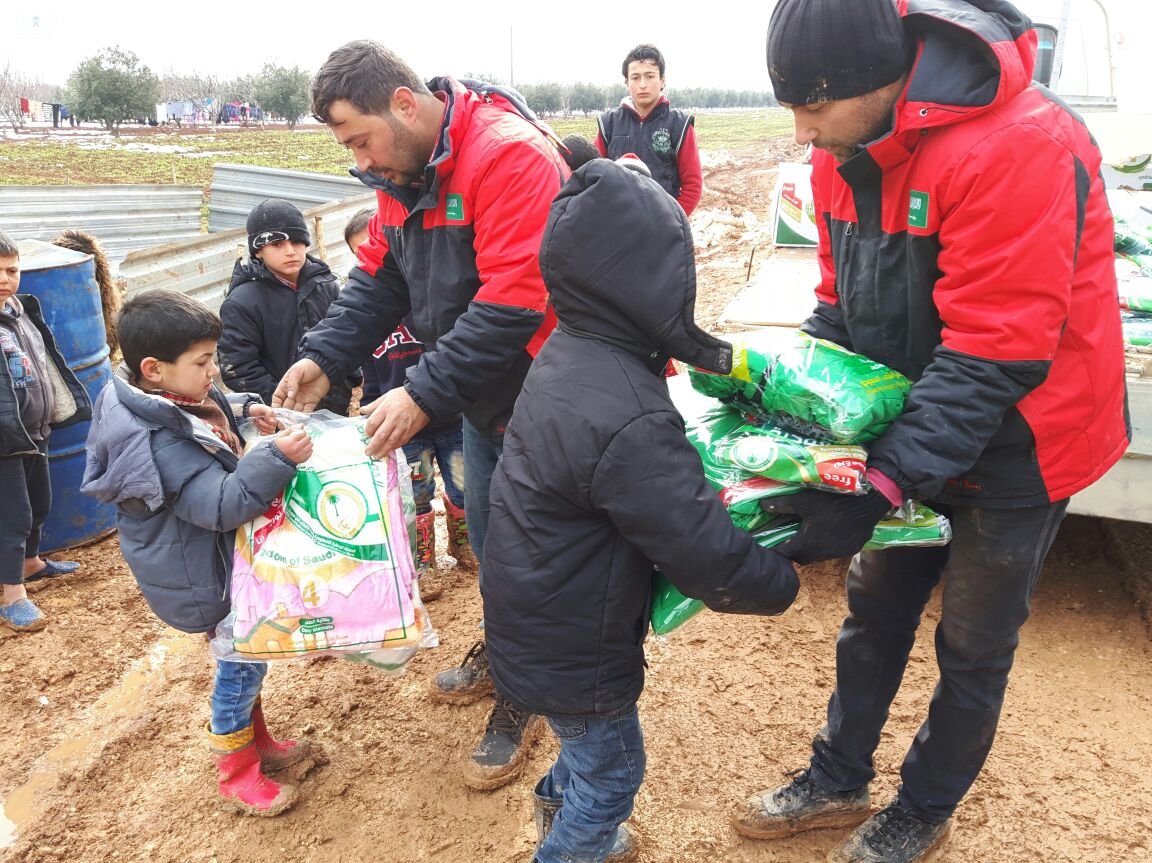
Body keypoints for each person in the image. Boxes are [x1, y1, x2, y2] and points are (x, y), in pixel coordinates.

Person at [729, 2, 1131, 862]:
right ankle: (837, 776)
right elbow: (839, 308)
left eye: (813, 107)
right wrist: (808, 430)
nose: (802, 130)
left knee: (974, 639)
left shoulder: (1018, 144)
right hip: (916, 418)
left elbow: (992, 353)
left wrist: (882, 482)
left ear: (882, 83)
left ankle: (924, 806)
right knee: (874, 608)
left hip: (1025, 435)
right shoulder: (841, 152)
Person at [483, 159, 800, 863]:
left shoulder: (571, 349)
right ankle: (566, 846)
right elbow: (704, 552)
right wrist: (783, 575)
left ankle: (551, 812)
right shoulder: (626, 411)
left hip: (534, 616)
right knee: (612, 772)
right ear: (650, 278)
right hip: (575, 646)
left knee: (581, 750)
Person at [272, 40, 569, 790]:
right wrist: (324, 356)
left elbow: (512, 303)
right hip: (481, 391)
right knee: (497, 538)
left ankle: (530, 693)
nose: (362, 160)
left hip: (545, 389)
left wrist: (421, 391)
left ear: (404, 105)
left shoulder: (507, 156)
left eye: (359, 139)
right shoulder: (400, 174)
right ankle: (510, 659)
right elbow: (378, 279)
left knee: (538, 550)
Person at [81, 289, 318, 817]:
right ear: (154, 369)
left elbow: (205, 411)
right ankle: (237, 773)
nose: (213, 371)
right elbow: (221, 505)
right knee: (239, 669)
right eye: (203, 362)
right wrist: (276, 457)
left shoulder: (168, 401)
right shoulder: (158, 443)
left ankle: (259, 745)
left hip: (218, 561)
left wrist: (244, 407)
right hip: (205, 573)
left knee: (251, 658)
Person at [343, 207, 477, 599]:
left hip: (450, 418)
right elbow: (366, 370)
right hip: (401, 426)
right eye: (362, 253)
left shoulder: (434, 302)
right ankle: (422, 563)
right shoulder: (369, 315)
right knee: (414, 496)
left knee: (464, 487)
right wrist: (369, 404)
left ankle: (463, 543)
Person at [0, 231, 90, 631]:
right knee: (12, 515)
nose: (5, 279)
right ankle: (11, 594)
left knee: (39, 501)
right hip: (4, 440)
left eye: (11, 270)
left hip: (33, 429)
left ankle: (31, 562)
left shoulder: (17, 311)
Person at [217, 198, 354, 417]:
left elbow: (346, 334)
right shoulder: (241, 302)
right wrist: (281, 408)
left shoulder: (326, 285)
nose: (290, 251)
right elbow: (240, 368)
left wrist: (346, 380)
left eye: (297, 241)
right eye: (277, 244)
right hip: (280, 418)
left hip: (335, 406)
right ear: (258, 251)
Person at [595, 44, 703, 215]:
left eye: (650, 76)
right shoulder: (609, 123)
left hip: (663, 228)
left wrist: (672, 221)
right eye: (635, 77)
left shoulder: (680, 124)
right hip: (617, 225)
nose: (642, 84)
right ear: (626, 82)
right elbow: (595, 177)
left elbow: (693, 185)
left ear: (662, 80)